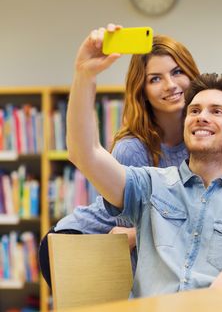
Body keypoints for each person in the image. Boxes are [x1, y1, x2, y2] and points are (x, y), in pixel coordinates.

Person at [65, 24, 222, 296]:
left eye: (216, 111)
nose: (202, 117)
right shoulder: (149, 185)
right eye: (195, 110)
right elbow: (84, 153)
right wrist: (85, 75)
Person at [38, 34, 201, 287]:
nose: (170, 84)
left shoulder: (202, 140)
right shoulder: (132, 149)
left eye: (177, 71)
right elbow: (127, 236)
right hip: (84, 241)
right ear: (143, 91)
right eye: (155, 79)